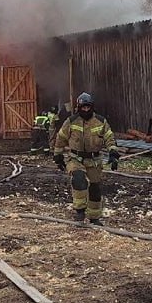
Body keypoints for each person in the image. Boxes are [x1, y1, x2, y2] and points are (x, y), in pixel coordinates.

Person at [53, 92, 119, 224]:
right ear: (79, 107)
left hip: (94, 160)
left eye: (88, 107)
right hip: (75, 158)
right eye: (83, 107)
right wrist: (58, 155)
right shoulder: (71, 121)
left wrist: (113, 153)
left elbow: (109, 138)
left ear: (92, 107)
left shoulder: (100, 121)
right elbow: (61, 138)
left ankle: (94, 217)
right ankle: (80, 210)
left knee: (95, 189)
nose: (86, 110)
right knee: (78, 179)